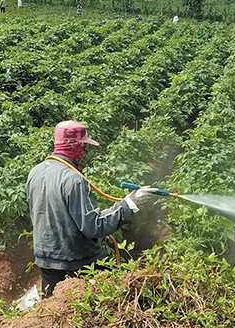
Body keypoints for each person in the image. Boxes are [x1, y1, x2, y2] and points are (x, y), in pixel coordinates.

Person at [26, 121, 163, 297]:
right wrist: (130, 203)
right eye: (84, 146)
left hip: (46, 261)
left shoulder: (35, 172)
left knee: (53, 309)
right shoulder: (73, 180)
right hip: (76, 262)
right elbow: (93, 227)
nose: (85, 152)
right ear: (76, 147)